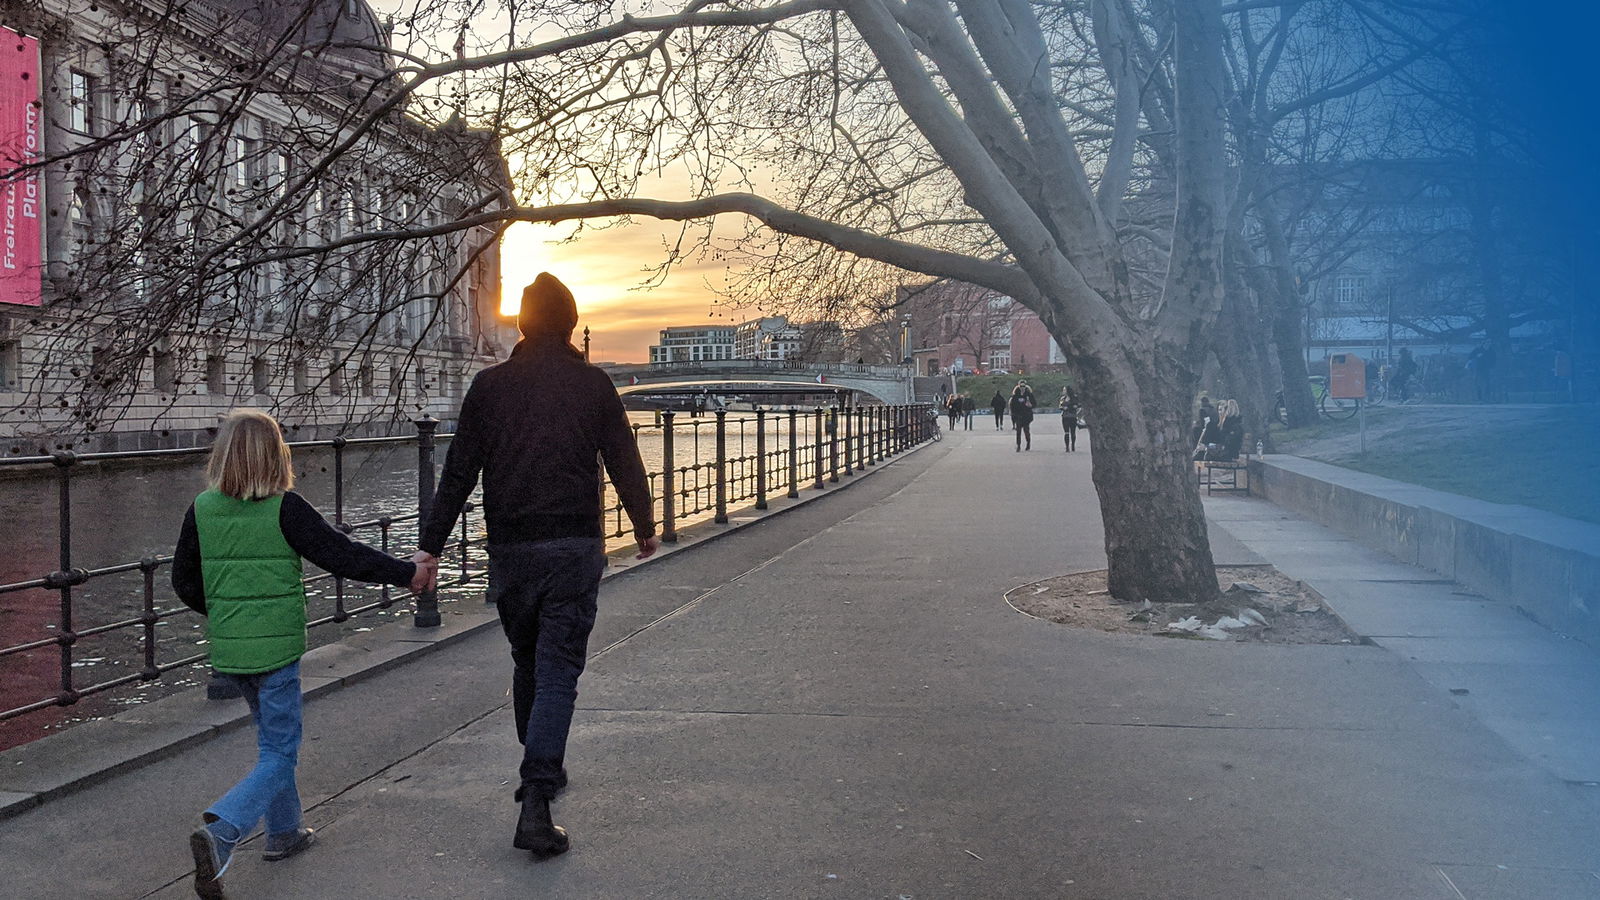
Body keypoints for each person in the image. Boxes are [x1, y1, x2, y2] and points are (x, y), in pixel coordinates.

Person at [414, 273, 657, 860]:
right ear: (571, 324)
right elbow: (624, 459)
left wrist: (430, 546)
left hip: (513, 552)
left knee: (529, 661)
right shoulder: (593, 385)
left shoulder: (489, 388)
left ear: (522, 323)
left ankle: (538, 773)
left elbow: (457, 475)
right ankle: (538, 796)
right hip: (573, 546)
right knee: (558, 670)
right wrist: (645, 526)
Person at [174, 409, 430, 900]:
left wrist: (228, 614)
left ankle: (284, 834)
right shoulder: (285, 508)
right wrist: (407, 573)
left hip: (232, 651)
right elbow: (343, 554)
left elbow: (184, 582)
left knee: (272, 743)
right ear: (277, 455)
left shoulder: (202, 509)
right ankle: (223, 832)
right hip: (278, 649)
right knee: (280, 750)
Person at [1009, 381, 1035, 451]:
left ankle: (1028, 443)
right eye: (1021, 386)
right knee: (1018, 432)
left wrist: (1030, 405)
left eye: (1024, 386)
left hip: (1026, 416)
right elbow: (1012, 405)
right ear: (1018, 386)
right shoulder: (1015, 395)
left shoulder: (1029, 395)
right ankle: (1018, 445)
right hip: (1018, 416)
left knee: (1026, 431)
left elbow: (1034, 403)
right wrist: (1013, 414)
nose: (1022, 388)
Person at [1060, 386, 1081, 452]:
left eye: (1064, 390)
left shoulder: (1074, 397)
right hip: (1065, 417)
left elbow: (1078, 405)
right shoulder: (1063, 398)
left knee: (1073, 432)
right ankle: (1067, 447)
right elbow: (1060, 406)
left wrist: (1073, 407)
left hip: (1072, 416)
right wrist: (1063, 408)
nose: (1063, 391)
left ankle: (1073, 445)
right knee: (1066, 432)